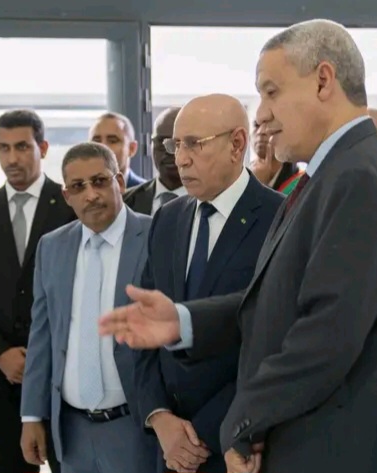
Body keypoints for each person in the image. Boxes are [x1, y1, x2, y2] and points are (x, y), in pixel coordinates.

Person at [98, 19, 377, 473]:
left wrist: (242, 422)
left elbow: (326, 334)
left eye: (271, 92)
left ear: (323, 81)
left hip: (344, 448)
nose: (261, 114)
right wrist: (184, 320)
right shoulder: (334, 173)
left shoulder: (359, 176)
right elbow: (278, 302)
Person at [134, 94, 283, 473]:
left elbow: (275, 341)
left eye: (193, 144)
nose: (180, 159)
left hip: (240, 445)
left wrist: (200, 435)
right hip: (168, 447)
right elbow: (147, 329)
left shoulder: (281, 219)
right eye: (175, 145)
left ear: (237, 144)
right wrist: (159, 417)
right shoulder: (168, 219)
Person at [20, 142, 157, 473]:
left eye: (99, 181)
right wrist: (32, 415)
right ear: (67, 196)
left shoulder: (156, 234)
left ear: (119, 182)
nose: (91, 195)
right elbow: (41, 336)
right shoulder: (52, 246)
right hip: (72, 431)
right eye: (78, 187)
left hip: (136, 427)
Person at [0, 110, 75, 473]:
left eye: (22, 147)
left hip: (63, 374)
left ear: (43, 148)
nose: (12, 158)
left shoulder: (71, 204)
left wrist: (46, 357)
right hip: (1, 376)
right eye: (3, 148)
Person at [123, 107, 186, 215]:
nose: (169, 151)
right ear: (151, 144)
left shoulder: (209, 201)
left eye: (176, 143)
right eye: (161, 142)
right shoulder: (125, 203)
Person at [249, 119, 304, 195]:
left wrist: (258, 186)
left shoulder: (302, 184)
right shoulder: (241, 174)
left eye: (269, 125)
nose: (260, 131)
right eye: (256, 125)